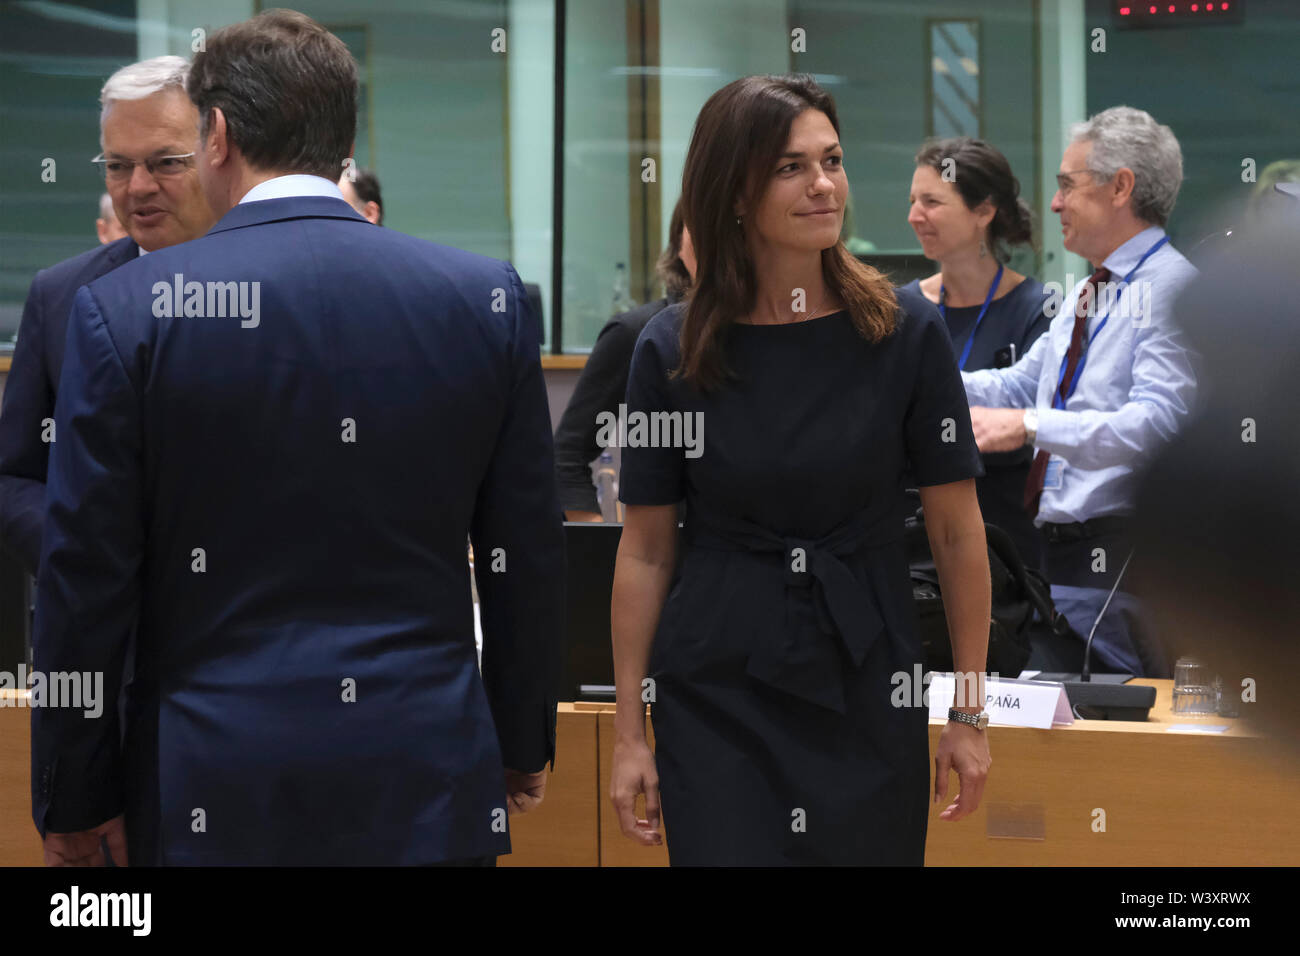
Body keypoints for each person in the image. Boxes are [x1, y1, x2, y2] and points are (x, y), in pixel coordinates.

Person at [31, 9, 563, 867]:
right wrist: (520, 736)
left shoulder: (128, 313)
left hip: (214, 776)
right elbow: (524, 552)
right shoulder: (483, 302)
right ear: (342, 134)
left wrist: (73, 793)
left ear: (217, 134)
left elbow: (85, 579)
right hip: (425, 766)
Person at [608, 73, 992, 866]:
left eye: (833, 160)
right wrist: (627, 733)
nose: (824, 185)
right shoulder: (668, 350)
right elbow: (644, 549)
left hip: (866, 671)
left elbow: (957, 534)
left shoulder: (905, 333)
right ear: (734, 191)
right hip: (715, 684)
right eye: (791, 167)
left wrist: (969, 711)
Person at [961, 106, 1199, 676]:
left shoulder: (1173, 290)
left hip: (1122, 562)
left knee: (1115, 744)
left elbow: (1159, 426)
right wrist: (914, 370)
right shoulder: (1090, 289)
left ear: (1121, 188)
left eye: (1067, 185)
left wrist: (1030, 426)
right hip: (1059, 556)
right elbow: (1022, 383)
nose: (1054, 204)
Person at [0, 55, 215, 578]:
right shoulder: (61, 294)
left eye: (166, 162)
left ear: (216, 153)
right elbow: (16, 476)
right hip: (109, 631)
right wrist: (81, 558)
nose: (137, 187)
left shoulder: (277, 285)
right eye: (118, 165)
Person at [898, 136, 1051, 570]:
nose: (914, 216)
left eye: (931, 201)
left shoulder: (1038, 310)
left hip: (1005, 550)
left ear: (984, 211)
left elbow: (1036, 424)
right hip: (915, 549)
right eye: (912, 200)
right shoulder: (899, 310)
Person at [553, 199, 695, 521]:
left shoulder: (766, 328)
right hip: (668, 550)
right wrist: (599, 554)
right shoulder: (637, 332)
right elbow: (567, 457)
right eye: (701, 229)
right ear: (679, 244)